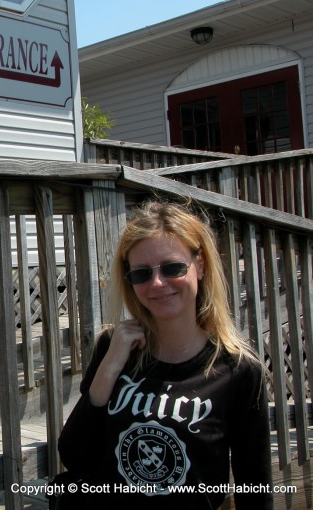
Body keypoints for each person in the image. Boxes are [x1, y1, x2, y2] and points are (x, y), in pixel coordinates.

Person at [57, 200, 272, 509]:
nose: (157, 283)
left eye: (172, 268)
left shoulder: (238, 371)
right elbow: (75, 456)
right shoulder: (114, 346)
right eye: (142, 273)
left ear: (200, 266)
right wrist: (109, 369)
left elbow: (256, 486)